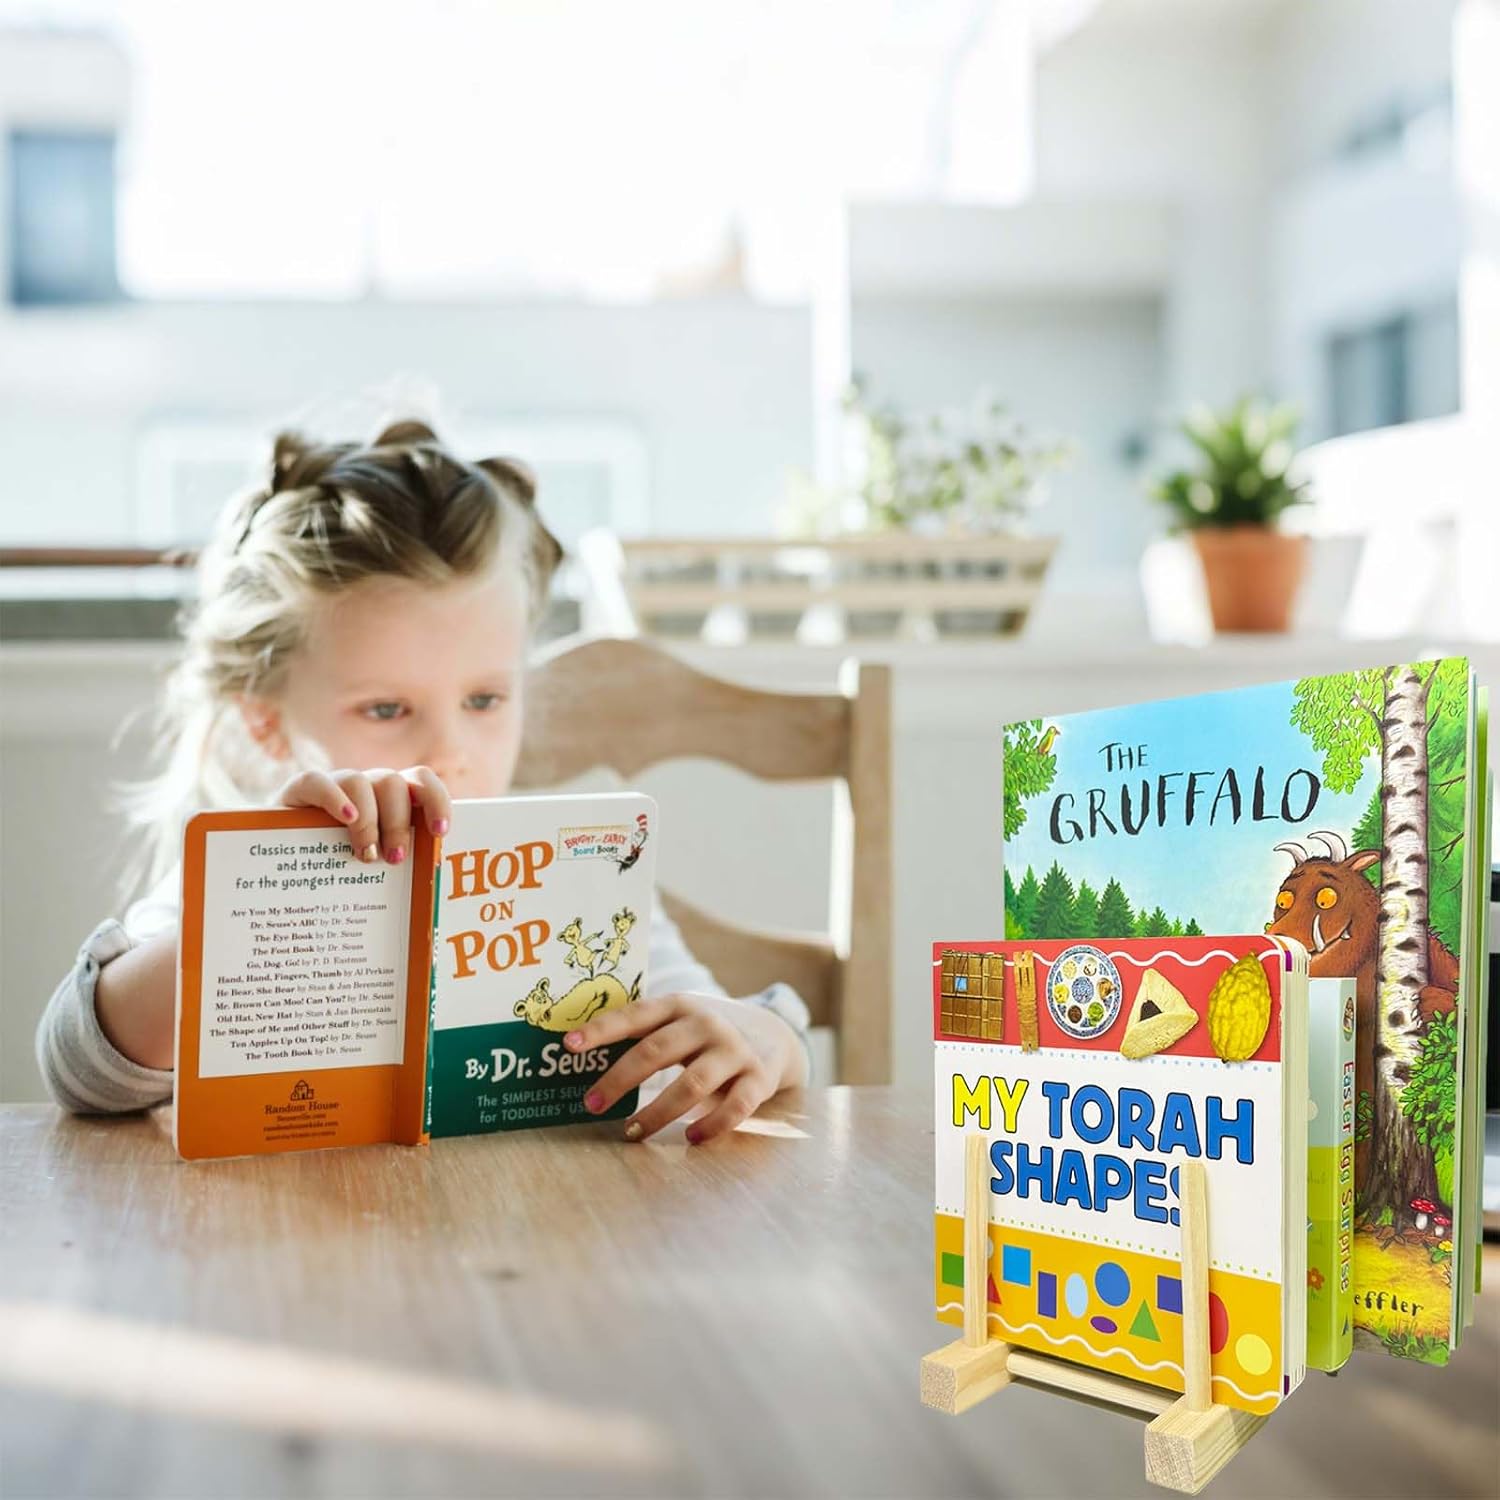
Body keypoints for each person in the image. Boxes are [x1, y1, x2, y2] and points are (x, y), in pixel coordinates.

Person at [35, 418, 810, 1143]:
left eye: (484, 700)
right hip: (299, 1229)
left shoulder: (581, 873)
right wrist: (258, 906)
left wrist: (768, 1038)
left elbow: (731, 1033)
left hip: (530, 1224)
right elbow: (80, 1070)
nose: (448, 752)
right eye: (386, 709)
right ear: (266, 722)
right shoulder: (243, 874)